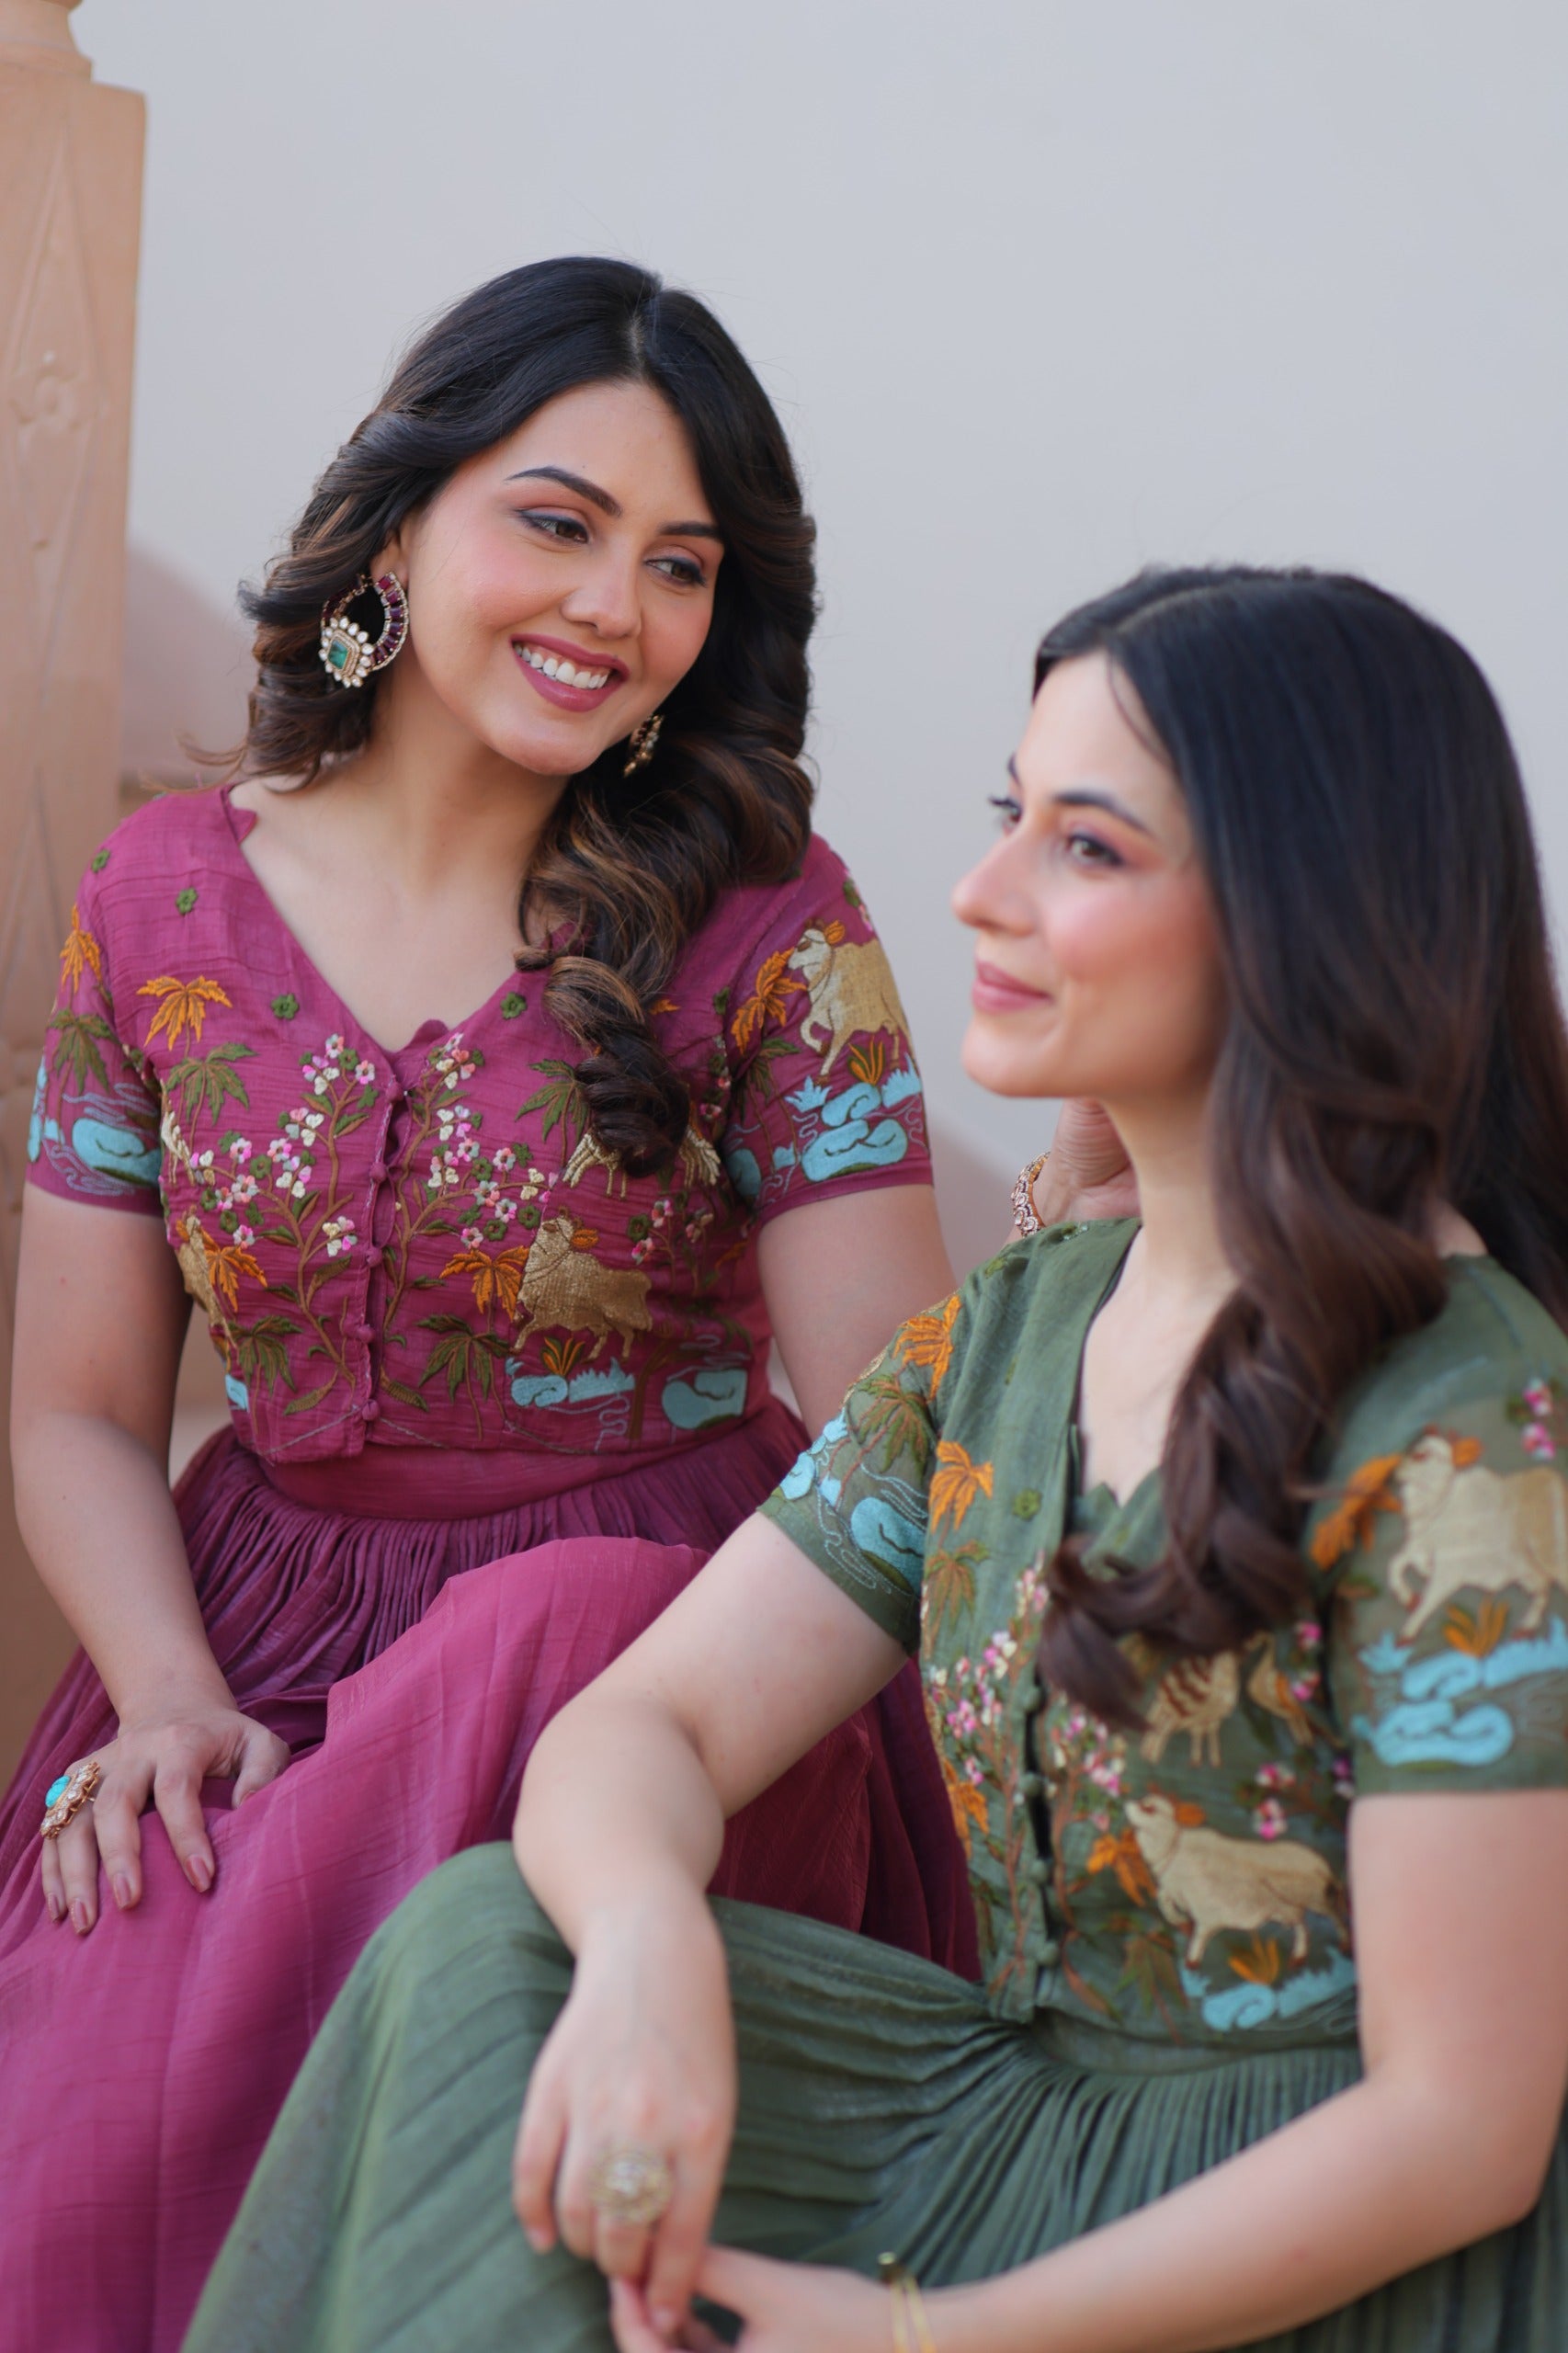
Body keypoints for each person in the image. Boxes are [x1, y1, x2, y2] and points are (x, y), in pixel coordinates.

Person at [187, 565, 1568, 2353]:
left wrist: (918, 2337)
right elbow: (645, 1725)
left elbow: (1460, 2130)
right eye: (1012, 813)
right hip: (1024, 2116)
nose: (979, 890)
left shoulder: (1473, 1422)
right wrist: (646, 1956)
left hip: (1321, 2238)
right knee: (498, 1948)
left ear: (1310, 908)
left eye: (1085, 845)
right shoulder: (1011, 1333)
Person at [0, 256, 1067, 2353]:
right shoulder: (156, 903)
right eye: (558, 522)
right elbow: (78, 1408)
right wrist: (165, 1694)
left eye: (679, 564)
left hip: (664, 1661)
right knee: (89, 2145)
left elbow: (893, 1420)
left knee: (549, 1639)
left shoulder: (767, 914)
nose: (613, 607)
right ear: (398, 526)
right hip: (247, 1652)